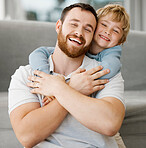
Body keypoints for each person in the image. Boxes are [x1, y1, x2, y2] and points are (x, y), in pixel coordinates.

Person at [9, 3, 125, 148]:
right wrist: (73, 87)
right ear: (59, 26)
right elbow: (27, 136)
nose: (79, 33)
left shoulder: (101, 71)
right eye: (73, 24)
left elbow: (110, 123)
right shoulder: (27, 74)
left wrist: (59, 89)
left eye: (88, 29)